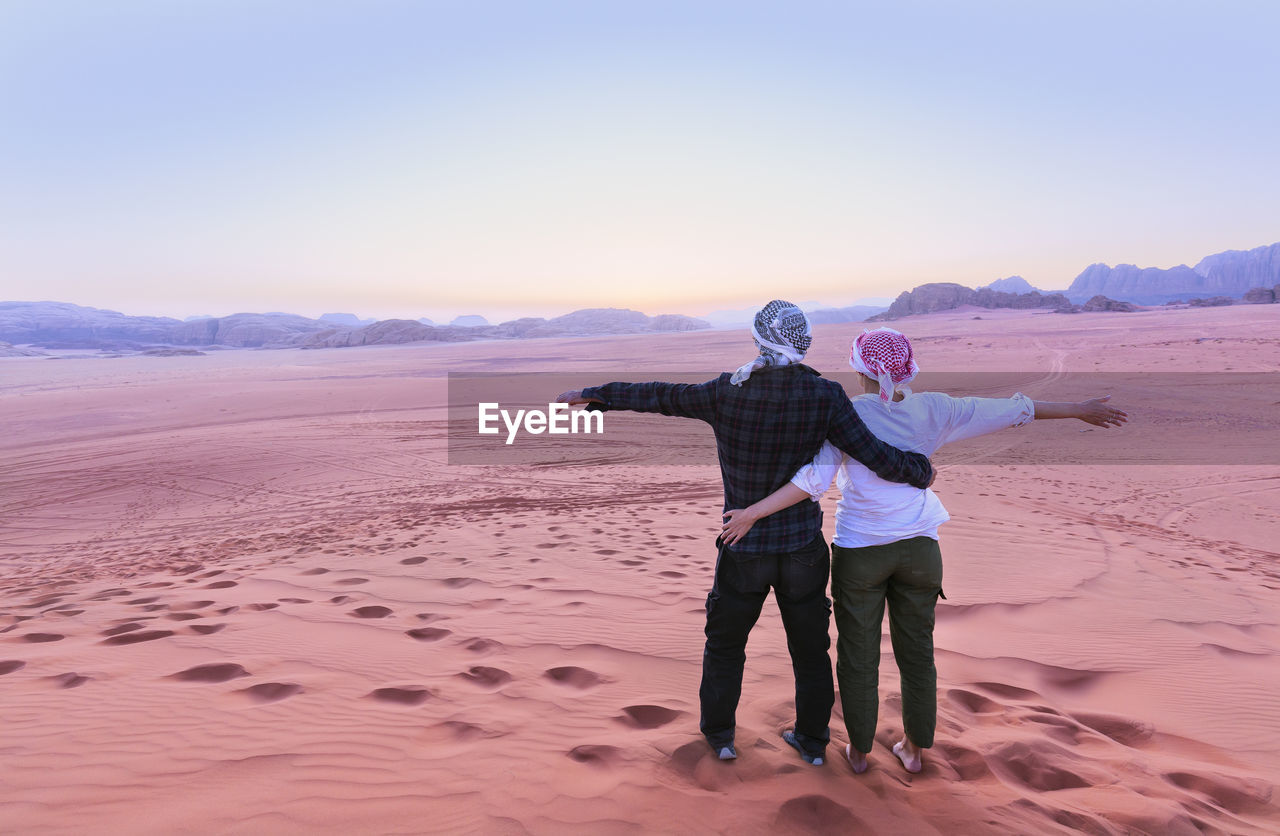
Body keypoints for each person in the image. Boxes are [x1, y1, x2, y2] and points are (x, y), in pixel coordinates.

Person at [720, 327, 1127, 775]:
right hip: (920, 550)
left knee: (859, 656)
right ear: (907, 367)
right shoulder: (937, 408)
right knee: (918, 653)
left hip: (862, 553)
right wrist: (1078, 411)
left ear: (861, 371)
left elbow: (812, 482)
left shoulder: (845, 415)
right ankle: (913, 752)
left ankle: (858, 753)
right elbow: (1015, 409)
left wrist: (753, 512)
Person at [556, 301, 934, 766]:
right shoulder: (826, 396)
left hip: (744, 547)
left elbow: (660, 395)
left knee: (726, 646)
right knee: (811, 652)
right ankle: (813, 744)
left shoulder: (727, 392)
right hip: (802, 551)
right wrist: (918, 470)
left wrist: (598, 394)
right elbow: (871, 452)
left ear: (758, 341)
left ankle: (721, 737)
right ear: (803, 343)